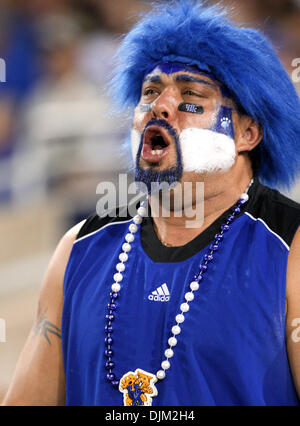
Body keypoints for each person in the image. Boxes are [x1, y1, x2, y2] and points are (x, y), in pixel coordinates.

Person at [2, 0, 300, 406]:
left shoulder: (290, 246)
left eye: (191, 96)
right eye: (150, 92)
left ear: (247, 133)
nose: (160, 106)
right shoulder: (79, 247)